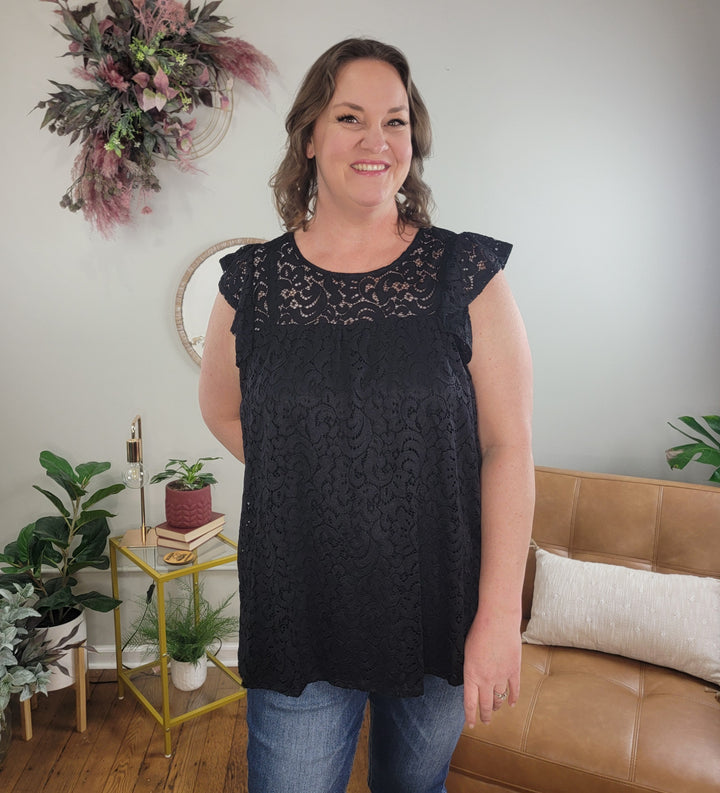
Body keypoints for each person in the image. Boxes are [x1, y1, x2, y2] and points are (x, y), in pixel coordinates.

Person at [199, 37, 534, 793]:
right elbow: (221, 407)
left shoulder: (466, 275)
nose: (376, 141)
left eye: (395, 121)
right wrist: (317, 473)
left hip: (439, 603)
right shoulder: (250, 283)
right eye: (350, 117)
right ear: (310, 135)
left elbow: (508, 447)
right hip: (300, 606)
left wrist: (497, 615)